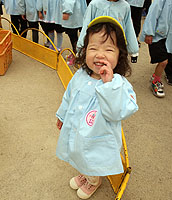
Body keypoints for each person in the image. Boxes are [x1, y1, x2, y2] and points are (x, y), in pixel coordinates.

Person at [55, 16, 138, 199]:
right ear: (84, 52)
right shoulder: (80, 75)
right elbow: (68, 96)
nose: (100, 54)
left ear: (119, 55)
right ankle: (85, 174)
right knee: (77, 151)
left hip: (98, 134)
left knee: (92, 156)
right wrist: (62, 116)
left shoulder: (119, 84)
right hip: (77, 127)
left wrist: (108, 85)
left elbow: (117, 112)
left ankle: (94, 180)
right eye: (93, 48)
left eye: (108, 49)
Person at [60, 0, 87, 66]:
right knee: (75, 36)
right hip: (78, 11)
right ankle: (75, 53)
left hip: (73, 14)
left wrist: (66, 11)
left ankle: (76, 56)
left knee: (73, 36)